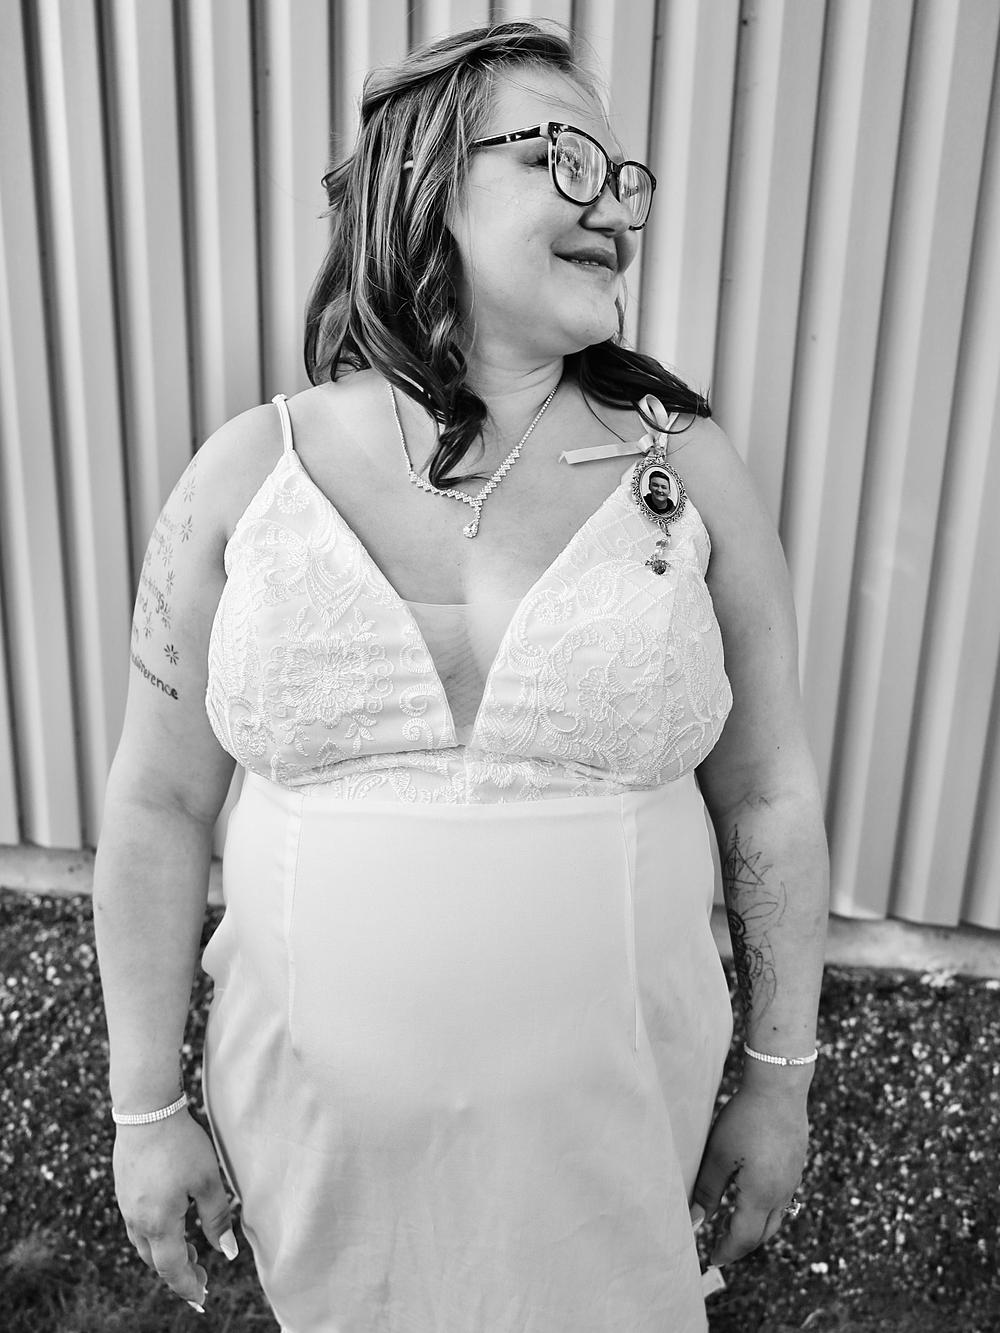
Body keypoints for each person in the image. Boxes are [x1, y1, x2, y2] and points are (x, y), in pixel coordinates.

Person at [93, 21, 829, 1333]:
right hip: (319, 1153)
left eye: (625, 178)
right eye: (565, 159)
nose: (617, 208)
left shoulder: (686, 471)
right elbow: (157, 804)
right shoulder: (247, 475)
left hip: (612, 1148)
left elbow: (767, 791)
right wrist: (145, 1107)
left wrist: (779, 1080)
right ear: (424, 178)